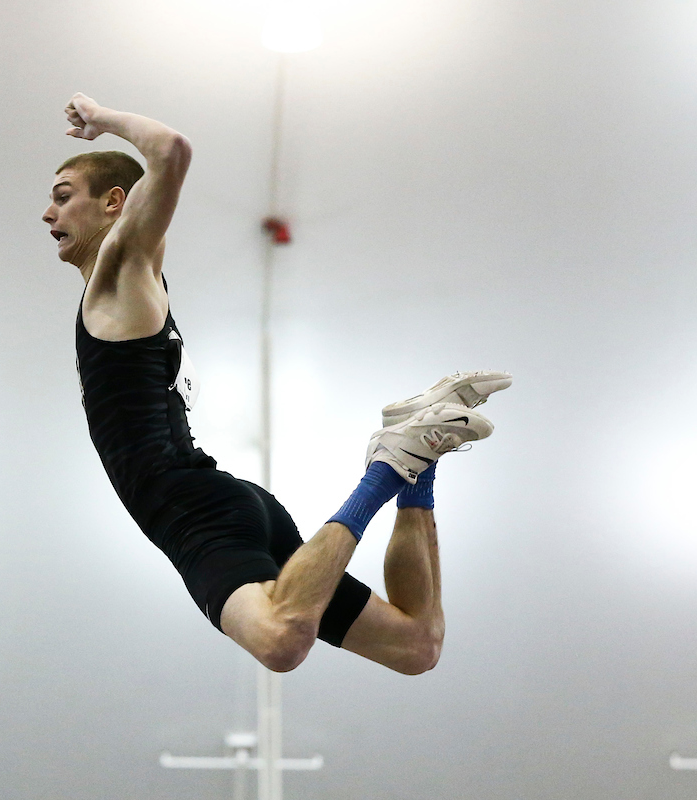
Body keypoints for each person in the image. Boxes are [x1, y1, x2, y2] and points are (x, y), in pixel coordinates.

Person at [43, 93, 510, 674]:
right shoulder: (132, 279)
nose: (48, 215)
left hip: (195, 517)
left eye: (63, 198)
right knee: (417, 647)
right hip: (233, 508)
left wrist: (104, 120)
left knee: (280, 642)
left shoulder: (119, 271)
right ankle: (416, 462)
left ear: (116, 204)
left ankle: (387, 468)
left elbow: (172, 150)